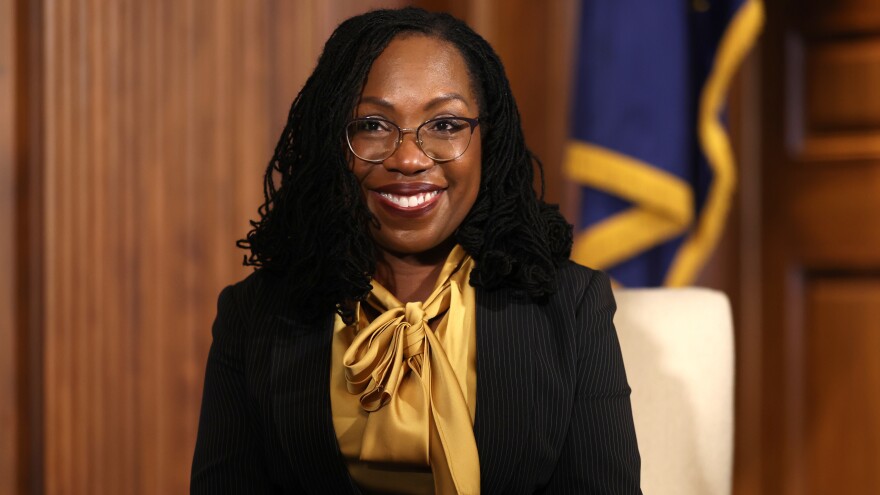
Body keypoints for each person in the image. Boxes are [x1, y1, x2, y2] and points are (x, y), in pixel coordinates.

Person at [191, 7, 640, 494]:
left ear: (488, 138)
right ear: (332, 143)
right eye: (373, 125)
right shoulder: (253, 314)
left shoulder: (572, 306)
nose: (408, 158)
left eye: (445, 125)